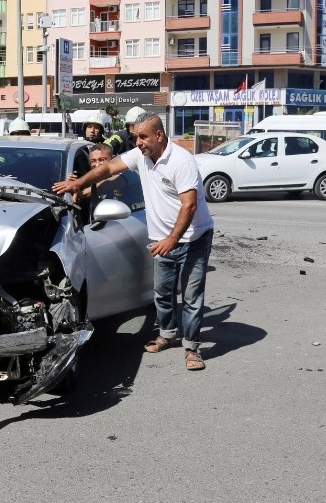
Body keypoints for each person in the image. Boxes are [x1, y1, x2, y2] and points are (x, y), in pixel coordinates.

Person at [54, 112, 214, 371]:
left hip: (193, 237)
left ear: (159, 135)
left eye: (142, 137)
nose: (137, 142)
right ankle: (167, 335)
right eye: (134, 137)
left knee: (192, 296)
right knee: (162, 292)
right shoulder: (141, 156)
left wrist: (172, 240)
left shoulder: (181, 162)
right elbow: (107, 168)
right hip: (162, 238)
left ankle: (192, 348)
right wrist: (77, 185)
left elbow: (190, 205)